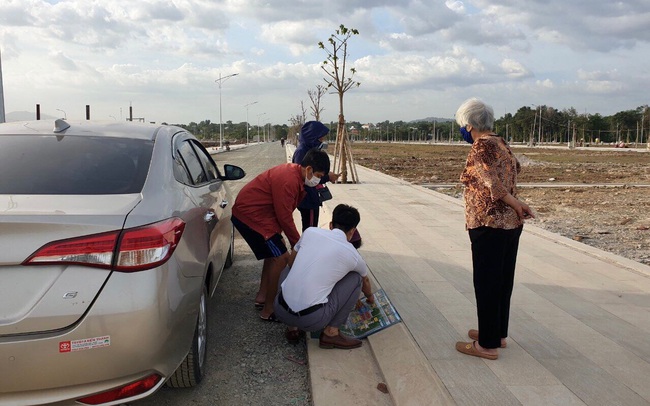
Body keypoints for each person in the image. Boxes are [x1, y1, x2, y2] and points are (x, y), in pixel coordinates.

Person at [454, 98, 535, 360]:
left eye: (462, 126)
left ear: (468, 125)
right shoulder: (501, 142)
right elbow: (514, 171)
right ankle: (496, 333)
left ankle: (486, 345)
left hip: (489, 223)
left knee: (487, 282)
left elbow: (493, 185)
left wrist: (517, 203)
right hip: (509, 224)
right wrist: (516, 206)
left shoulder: (481, 146)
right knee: (501, 282)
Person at [231, 148, 331, 321]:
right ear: (308, 170)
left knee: (274, 254)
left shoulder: (295, 176)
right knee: (282, 258)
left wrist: (294, 242)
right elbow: (284, 216)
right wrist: (298, 245)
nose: (318, 180)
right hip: (252, 216)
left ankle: (262, 297)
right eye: (319, 175)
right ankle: (269, 310)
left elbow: (283, 214)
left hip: (261, 216)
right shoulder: (288, 180)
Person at [273, 204, 374, 349]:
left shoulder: (310, 232)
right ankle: (331, 333)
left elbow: (291, 261)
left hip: (280, 311)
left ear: (331, 225)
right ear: (352, 231)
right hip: (312, 320)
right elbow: (365, 281)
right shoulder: (352, 254)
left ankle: (292, 330)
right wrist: (370, 297)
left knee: (288, 270)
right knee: (355, 279)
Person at [292, 121, 340, 231]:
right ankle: (306, 246)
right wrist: (328, 177)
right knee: (310, 230)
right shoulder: (302, 152)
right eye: (320, 138)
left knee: (310, 227)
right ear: (312, 136)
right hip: (307, 198)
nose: (322, 141)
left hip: (310, 197)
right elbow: (307, 177)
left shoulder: (308, 149)